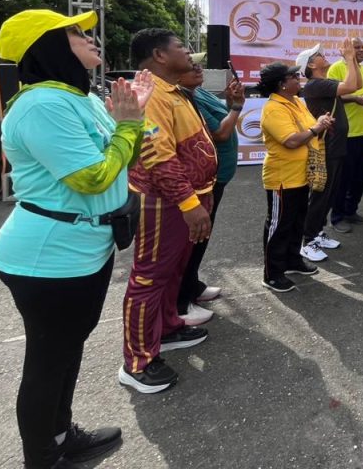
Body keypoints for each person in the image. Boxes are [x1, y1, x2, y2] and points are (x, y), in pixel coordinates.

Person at [0, 9, 149, 468]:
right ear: (49, 47)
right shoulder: (43, 104)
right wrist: (130, 127)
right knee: (48, 359)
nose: (90, 38)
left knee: (66, 351)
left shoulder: (72, 97)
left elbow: (119, 155)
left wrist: (134, 123)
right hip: (49, 256)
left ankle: (61, 435)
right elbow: (94, 176)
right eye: (77, 33)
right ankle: (42, 457)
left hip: (82, 249)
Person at [120, 29, 217, 394]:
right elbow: (157, 154)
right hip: (166, 202)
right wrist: (190, 204)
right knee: (149, 277)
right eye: (181, 47)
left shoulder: (172, 89)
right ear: (160, 56)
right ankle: (137, 361)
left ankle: (168, 327)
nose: (189, 52)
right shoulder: (149, 92)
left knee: (174, 268)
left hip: (186, 198)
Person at [175, 56, 245, 325]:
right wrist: (236, 108)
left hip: (217, 177)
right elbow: (220, 133)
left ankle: (192, 285)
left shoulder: (198, 92)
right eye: (191, 65)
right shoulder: (184, 98)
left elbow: (223, 118)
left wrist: (230, 102)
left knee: (201, 239)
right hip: (205, 181)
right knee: (192, 241)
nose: (198, 68)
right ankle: (181, 303)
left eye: (199, 64)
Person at [257, 62, 335, 293]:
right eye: (293, 76)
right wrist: (316, 128)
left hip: (301, 175)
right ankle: (272, 274)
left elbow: (310, 129)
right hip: (283, 177)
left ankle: (292, 261)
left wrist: (321, 125)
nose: (298, 78)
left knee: (297, 222)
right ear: (282, 84)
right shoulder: (274, 108)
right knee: (279, 225)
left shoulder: (295, 102)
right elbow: (291, 140)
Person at [295, 40, 361, 262]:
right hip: (326, 148)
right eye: (318, 55)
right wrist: (350, 58)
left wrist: (352, 61)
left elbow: (356, 83)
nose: (323, 55)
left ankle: (318, 232)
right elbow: (351, 86)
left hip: (336, 146)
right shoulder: (315, 85)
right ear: (311, 66)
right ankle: (308, 239)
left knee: (330, 193)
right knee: (321, 196)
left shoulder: (324, 82)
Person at [326, 38, 363, 233]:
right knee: (343, 178)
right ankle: (337, 216)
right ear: (347, 50)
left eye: (362, 47)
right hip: (347, 133)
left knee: (360, 176)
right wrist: (355, 98)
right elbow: (334, 96)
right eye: (356, 47)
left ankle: (351, 211)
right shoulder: (336, 69)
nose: (361, 50)